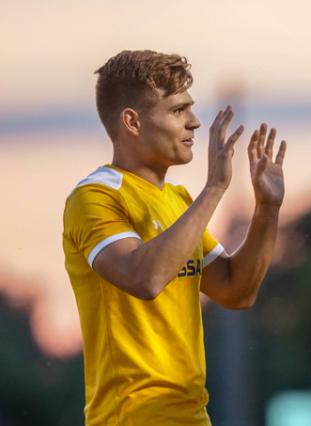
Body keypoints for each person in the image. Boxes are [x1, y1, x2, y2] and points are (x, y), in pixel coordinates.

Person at [62, 50, 286, 425]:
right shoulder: (94, 198)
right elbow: (145, 278)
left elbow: (236, 290)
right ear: (132, 122)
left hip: (193, 416)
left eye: (190, 109)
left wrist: (268, 208)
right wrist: (215, 188)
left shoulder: (179, 202)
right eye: (178, 111)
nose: (195, 123)